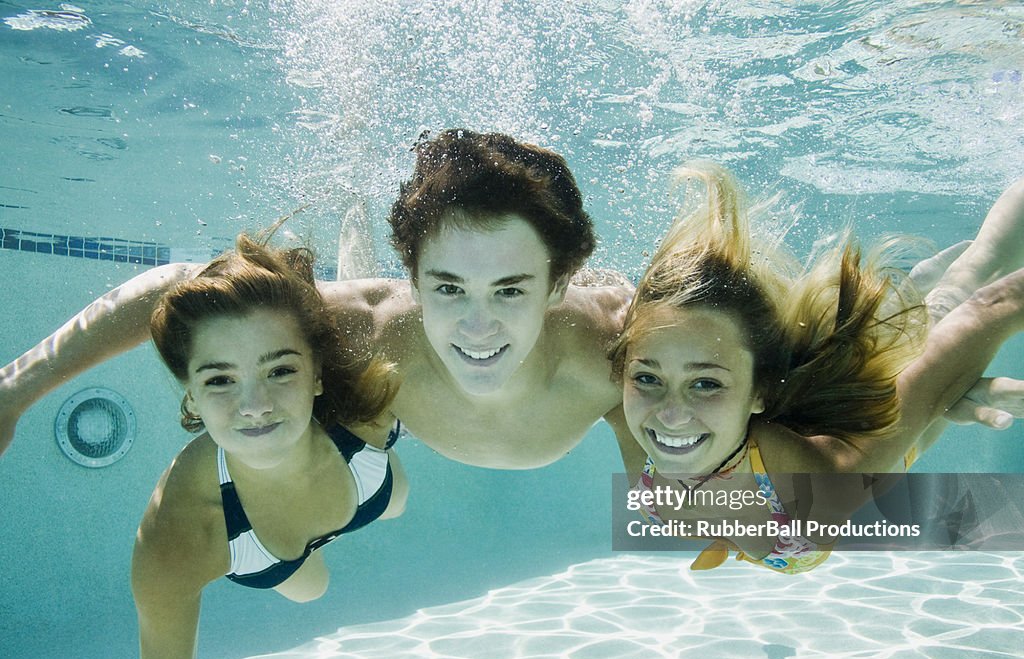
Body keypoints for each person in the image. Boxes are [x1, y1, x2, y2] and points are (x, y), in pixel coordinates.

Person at [0, 130, 1020, 471]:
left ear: (561, 281)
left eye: (509, 290)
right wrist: (16, 388)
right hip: (370, 375)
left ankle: (974, 277)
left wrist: (905, 373)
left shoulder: (618, 350)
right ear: (412, 280)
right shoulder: (374, 325)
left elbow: (745, 369)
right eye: (446, 286)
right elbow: (172, 295)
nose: (476, 326)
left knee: (827, 502)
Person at [612, 162, 1024, 573]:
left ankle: (935, 296)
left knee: (967, 291)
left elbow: (994, 308)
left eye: (705, 383)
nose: (669, 414)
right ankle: (909, 303)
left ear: (761, 392)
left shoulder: (814, 493)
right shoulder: (625, 401)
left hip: (882, 430)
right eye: (648, 377)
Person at [130, 235, 407, 659]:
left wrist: (626, 523)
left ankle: (351, 272)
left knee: (396, 501)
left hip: (364, 481)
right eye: (219, 380)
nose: (255, 406)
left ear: (318, 373)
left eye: (280, 370)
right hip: (261, 546)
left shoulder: (366, 416)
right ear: (189, 394)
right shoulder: (181, 537)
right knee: (312, 588)